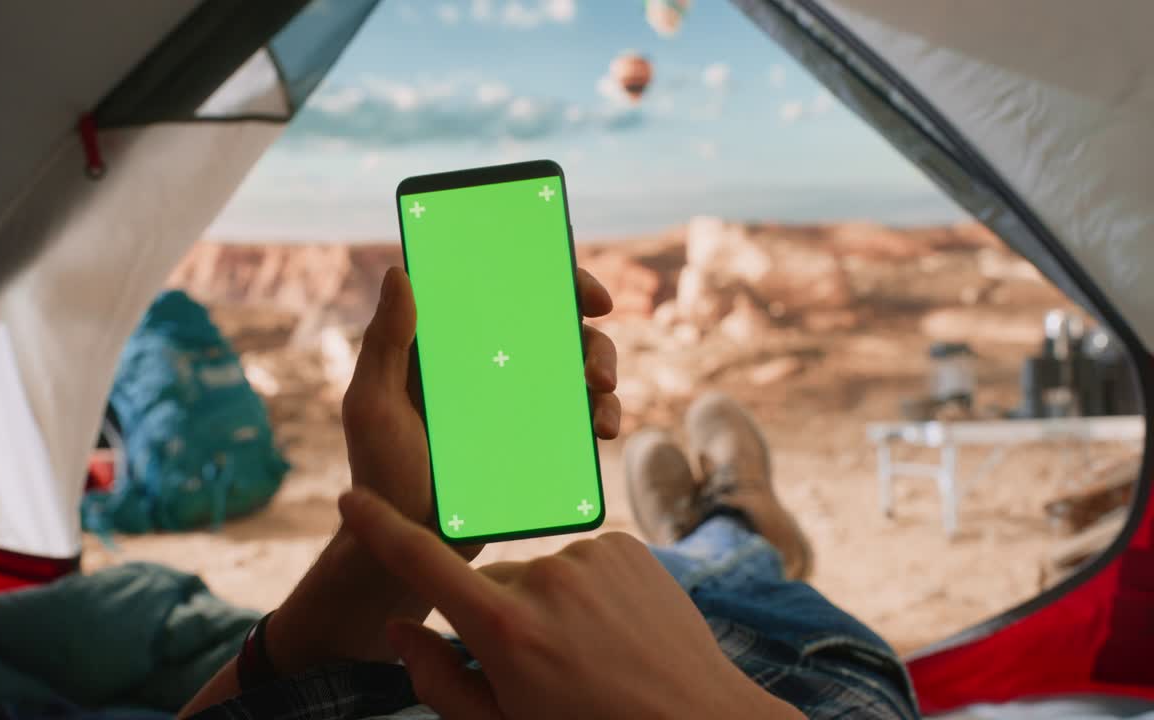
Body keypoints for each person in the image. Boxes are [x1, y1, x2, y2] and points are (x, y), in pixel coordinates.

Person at [180, 267, 918, 719]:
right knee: (714, 579)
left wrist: (397, 543)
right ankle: (740, 522)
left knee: (646, 578)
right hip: (803, 669)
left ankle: (720, 530)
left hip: (521, 646)